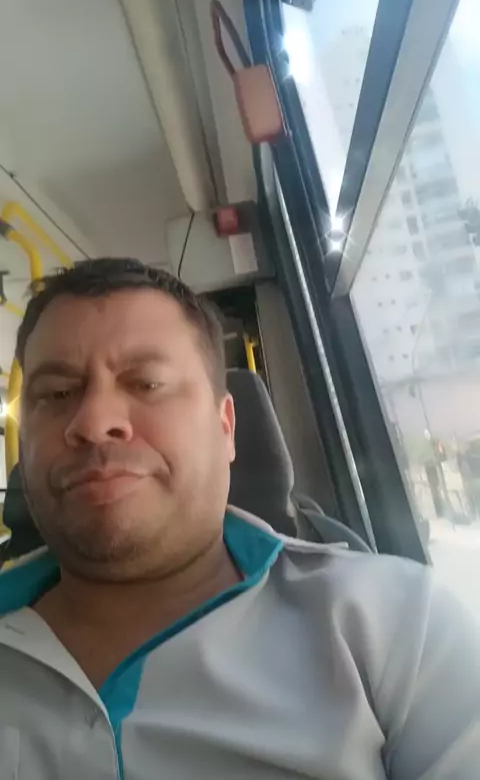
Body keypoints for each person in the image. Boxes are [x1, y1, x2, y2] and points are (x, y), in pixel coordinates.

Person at [0, 257, 479, 780]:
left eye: (146, 383)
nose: (93, 422)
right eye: (57, 394)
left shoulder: (399, 627)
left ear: (225, 427)